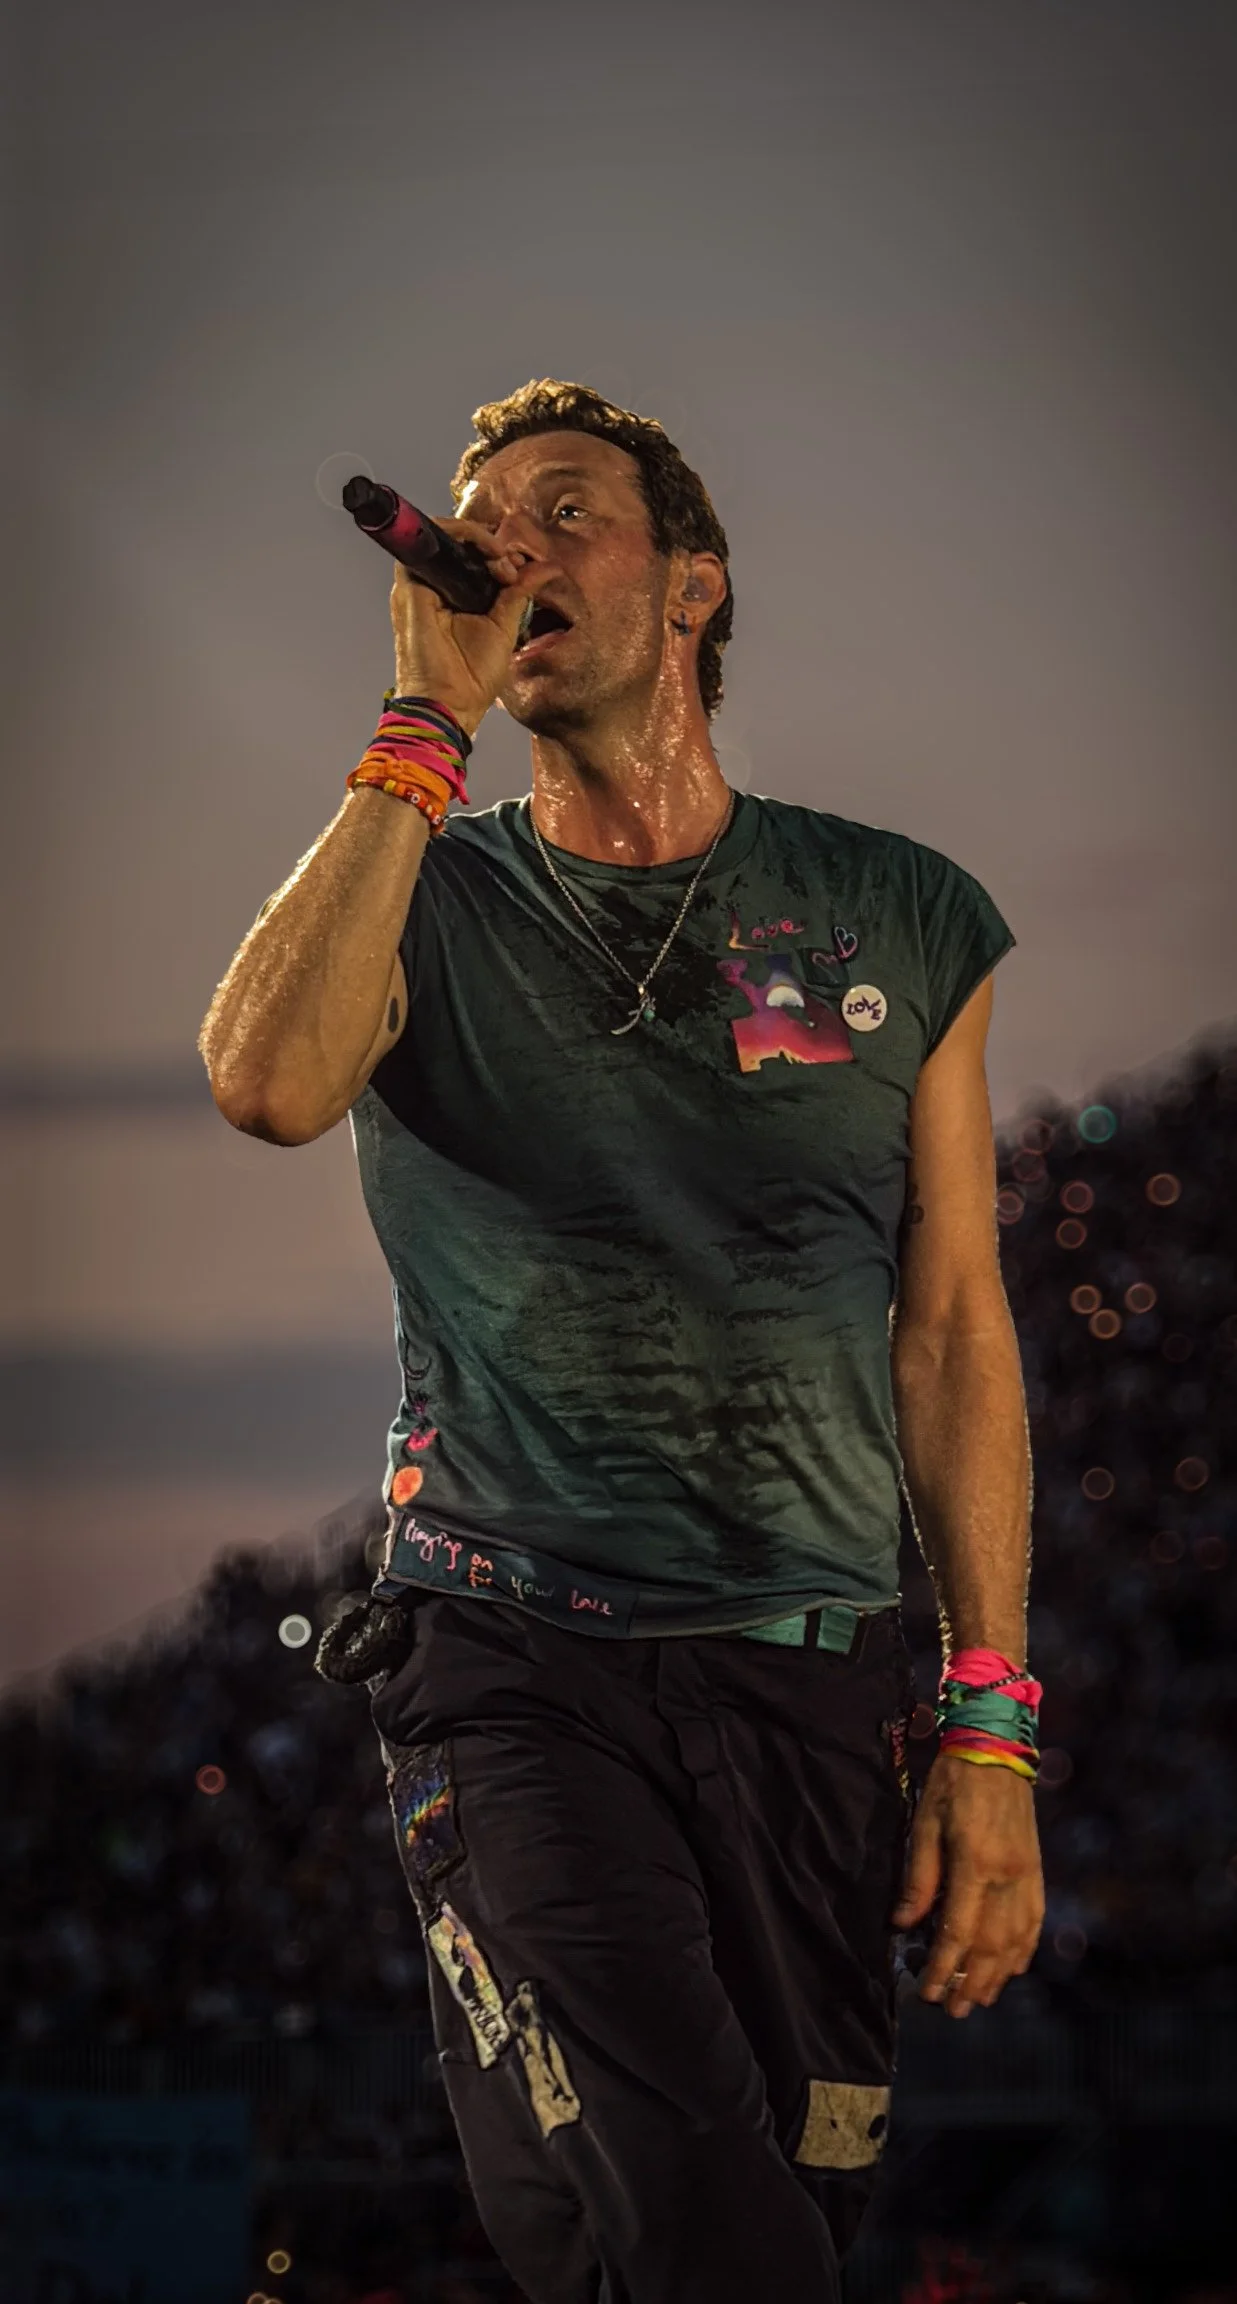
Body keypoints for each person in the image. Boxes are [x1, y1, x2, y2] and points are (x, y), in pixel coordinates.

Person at [200, 379, 1045, 2304]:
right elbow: (262, 1082)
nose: (509, 544)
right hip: (521, 1661)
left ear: (693, 588)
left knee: (740, 2223)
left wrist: (989, 1721)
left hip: (816, 1684)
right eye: (485, 518)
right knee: (709, 2230)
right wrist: (417, 725)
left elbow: (952, 1329)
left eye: (565, 511)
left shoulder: (897, 911)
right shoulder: (434, 887)